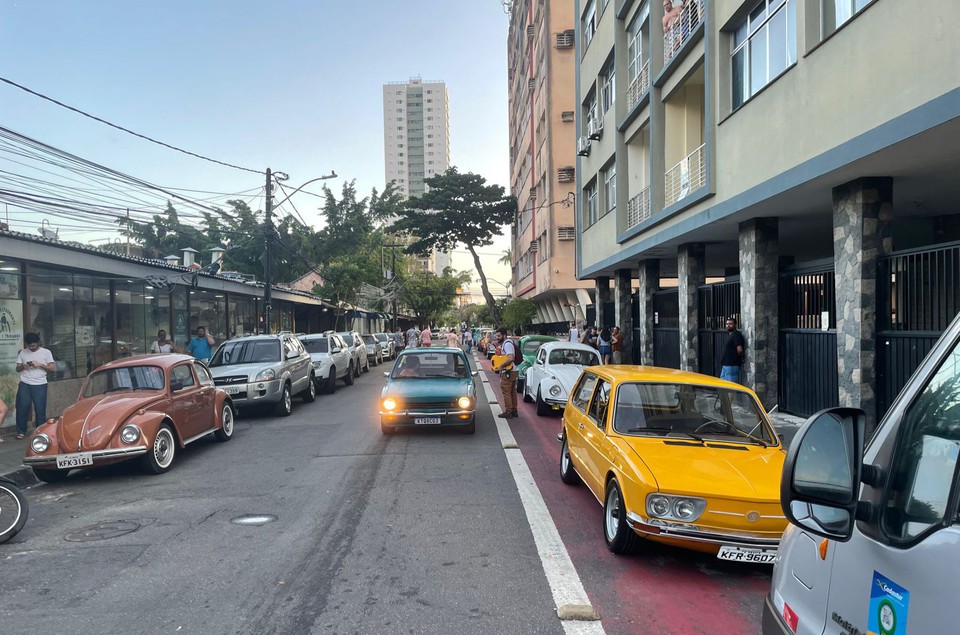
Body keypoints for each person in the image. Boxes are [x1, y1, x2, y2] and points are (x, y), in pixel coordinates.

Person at [14, 332, 55, 440]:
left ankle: (39, 431)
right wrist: (23, 366)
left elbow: (52, 368)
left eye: (33, 345)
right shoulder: (23, 352)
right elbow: (17, 369)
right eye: (29, 345)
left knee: (40, 408)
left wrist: (40, 364)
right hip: (25, 383)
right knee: (22, 407)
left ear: (38, 342)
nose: (31, 348)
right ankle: (21, 431)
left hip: (40, 384)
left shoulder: (46, 352)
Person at [493, 327, 518, 419]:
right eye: (497, 336)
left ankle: (508, 411)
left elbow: (510, 357)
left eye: (499, 336)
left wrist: (501, 366)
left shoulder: (507, 344)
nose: (497, 338)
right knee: (512, 392)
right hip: (513, 370)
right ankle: (514, 410)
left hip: (508, 371)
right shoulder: (509, 343)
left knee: (506, 392)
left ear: (504, 335)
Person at [720, 317, 746, 384]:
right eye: (727, 324)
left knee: (730, 386)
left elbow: (739, 350)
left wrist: (741, 357)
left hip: (731, 365)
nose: (728, 325)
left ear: (735, 325)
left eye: (730, 324)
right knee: (723, 385)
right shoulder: (731, 335)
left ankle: (732, 395)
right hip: (726, 365)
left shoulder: (736, 335)